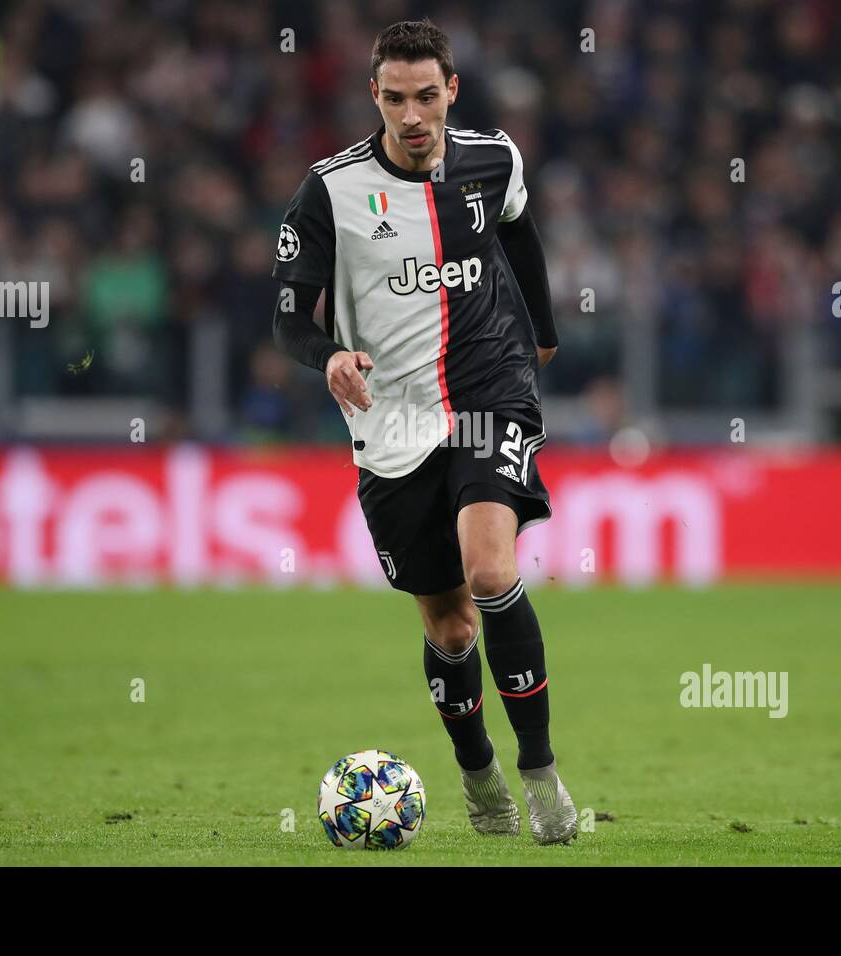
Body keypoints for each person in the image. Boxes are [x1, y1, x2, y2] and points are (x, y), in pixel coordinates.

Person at [270, 18, 574, 844]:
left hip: (488, 393)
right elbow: (290, 315)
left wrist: (541, 329)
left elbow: (518, 226)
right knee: (449, 627)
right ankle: (480, 776)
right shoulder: (329, 191)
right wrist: (328, 355)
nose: (413, 115)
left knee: (489, 568)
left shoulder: (492, 158)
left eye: (427, 97)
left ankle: (542, 773)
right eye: (396, 98)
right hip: (391, 424)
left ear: (452, 92)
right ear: (374, 95)